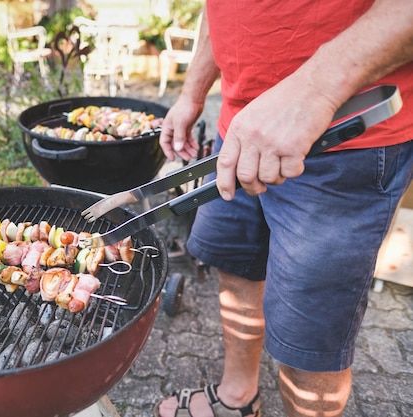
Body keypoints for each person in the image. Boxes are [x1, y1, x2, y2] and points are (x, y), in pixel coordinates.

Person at [154, 0, 413, 416]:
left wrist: (316, 91)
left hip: (344, 138)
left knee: (309, 335)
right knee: (235, 266)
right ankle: (238, 397)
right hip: (239, 127)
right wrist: (192, 92)